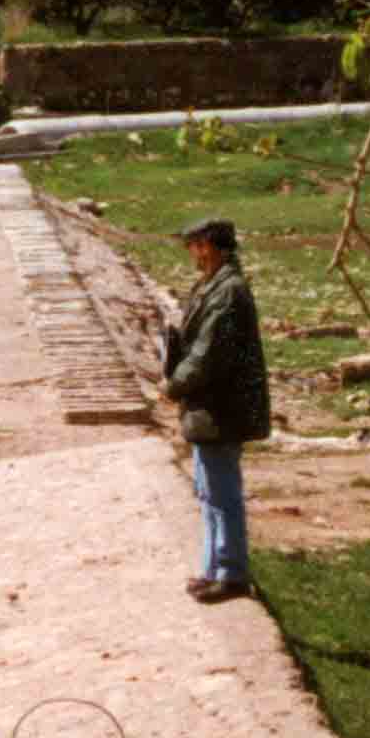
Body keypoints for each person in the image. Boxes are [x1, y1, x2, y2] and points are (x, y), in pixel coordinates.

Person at [160, 216, 270, 603]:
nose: (190, 253)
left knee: (222, 493)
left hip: (222, 408)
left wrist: (174, 385)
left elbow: (208, 353)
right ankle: (213, 568)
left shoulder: (228, 292)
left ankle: (232, 573)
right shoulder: (215, 286)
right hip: (209, 407)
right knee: (208, 490)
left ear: (206, 245)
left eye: (193, 245)